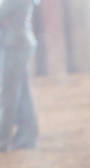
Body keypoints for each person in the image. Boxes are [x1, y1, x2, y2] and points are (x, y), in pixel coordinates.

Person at [0, 0, 39, 152]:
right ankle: (27, 136)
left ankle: (2, 140)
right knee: (23, 95)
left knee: (9, 94)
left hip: (15, 44)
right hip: (19, 43)